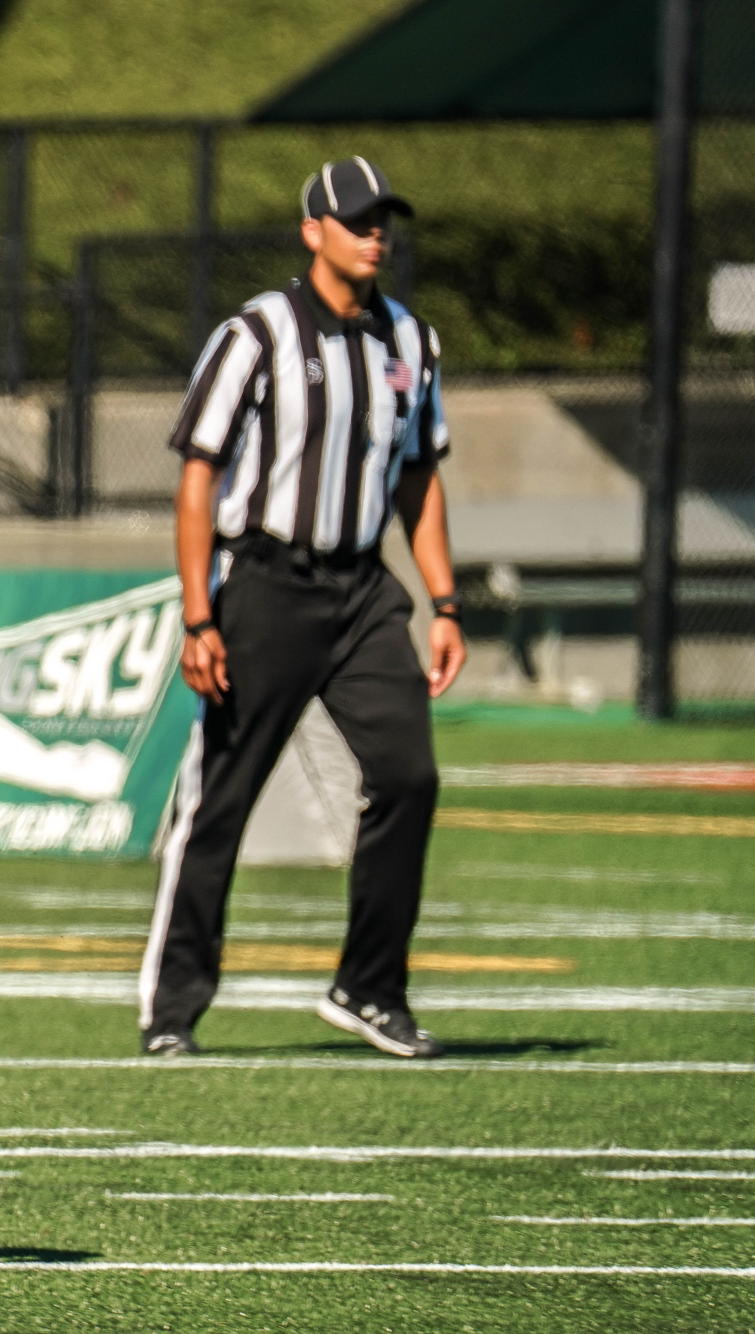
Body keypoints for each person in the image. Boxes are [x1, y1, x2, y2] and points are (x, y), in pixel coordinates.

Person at [139, 157, 466, 1060]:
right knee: (223, 803)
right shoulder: (257, 332)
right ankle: (172, 1008)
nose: (375, 234)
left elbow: (419, 479)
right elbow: (197, 478)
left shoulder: (411, 342)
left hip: (363, 592)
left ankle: (369, 989)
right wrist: (199, 614)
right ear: (312, 230)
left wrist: (445, 601)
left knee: (409, 777)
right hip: (267, 587)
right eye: (357, 220)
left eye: (383, 221)